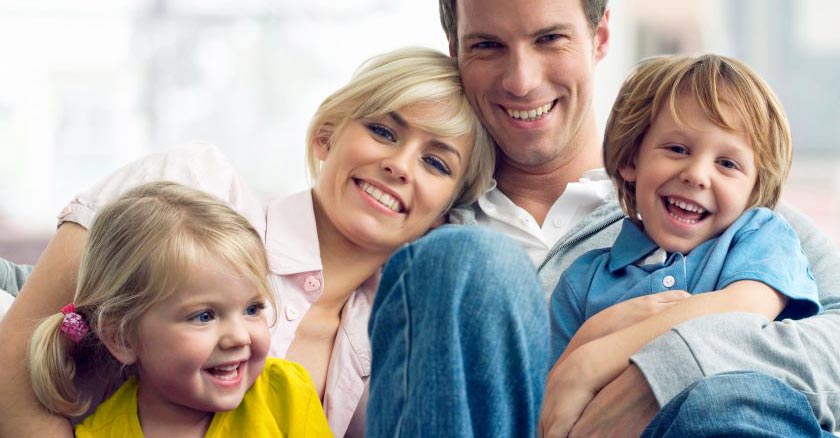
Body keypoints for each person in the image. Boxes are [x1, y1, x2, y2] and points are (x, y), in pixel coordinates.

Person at [0, 47, 501, 437]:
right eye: (383, 130)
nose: (400, 164)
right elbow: (18, 351)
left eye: (436, 162)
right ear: (326, 135)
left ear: (444, 214)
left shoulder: (393, 343)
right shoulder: (194, 186)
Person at [432, 0, 840, 436]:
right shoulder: (429, 241)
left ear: (600, 36)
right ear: (455, 49)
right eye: (489, 45)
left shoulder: (751, 222)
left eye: (550, 39)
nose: (522, 81)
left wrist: (647, 369)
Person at [544, 54, 822, 436]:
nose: (696, 174)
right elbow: (557, 409)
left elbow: (743, 309)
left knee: (722, 397)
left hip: (755, 421)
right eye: (677, 149)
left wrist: (598, 355)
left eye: (727, 163)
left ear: (753, 189)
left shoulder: (760, 234)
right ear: (630, 160)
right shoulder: (582, 280)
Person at [28, 181, 331, 437]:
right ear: (122, 338)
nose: (240, 337)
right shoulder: (101, 432)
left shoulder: (286, 394)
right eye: (204, 316)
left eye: (252, 309)